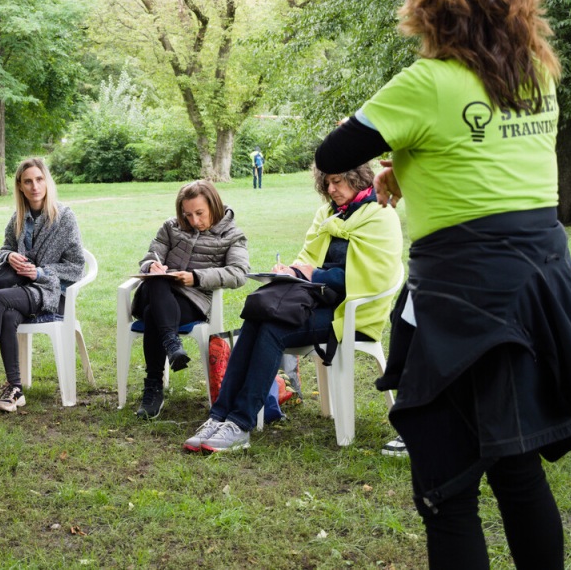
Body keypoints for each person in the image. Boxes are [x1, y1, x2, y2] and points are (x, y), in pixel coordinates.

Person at [314, 0, 571, 570]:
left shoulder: (427, 83)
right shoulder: (538, 78)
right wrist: (408, 164)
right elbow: (485, 169)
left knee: (447, 492)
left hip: (463, 302)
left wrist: (395, 156)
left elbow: (333, 155)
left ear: (431, 4)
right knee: (519, 476)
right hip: (536, 293)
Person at [184, 164, 402, 452]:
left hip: (348, 311)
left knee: (274, 328)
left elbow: (373, 277)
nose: (330, 190)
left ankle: (239, 423)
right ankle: (219, 416)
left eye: (337, 182)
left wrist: (315, 274)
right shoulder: (328, 213)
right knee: (256, 318)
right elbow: (307, 259)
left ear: (357, 178)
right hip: (314, 300)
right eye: (326, 184)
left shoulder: (380, 214)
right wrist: (290, 270)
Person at [0, 158, 84, 413]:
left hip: (51, 293)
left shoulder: (64, 217)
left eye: (39, 180)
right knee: (7, 315)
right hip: (21, 291)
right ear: (20, 186)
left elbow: (76, 267)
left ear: (47, 182)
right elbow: (2, 251)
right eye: (28, 181)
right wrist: (9, 256)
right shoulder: (19, 218)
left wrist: (40, 272)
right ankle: (15, 388)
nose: (35, 186)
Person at [133, 180, 250, 419]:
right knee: (157, 281)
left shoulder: (232, 235)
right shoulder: (170, 226)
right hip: (154, 291)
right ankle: (172, 344)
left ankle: (153, 387)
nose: (194, 221)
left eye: (200, 213)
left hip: (192, 300)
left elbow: (238, 274)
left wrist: (196, 277)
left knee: (151, 314)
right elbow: (149, 256)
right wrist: (151, 265)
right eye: (188, 215)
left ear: (214, 206)